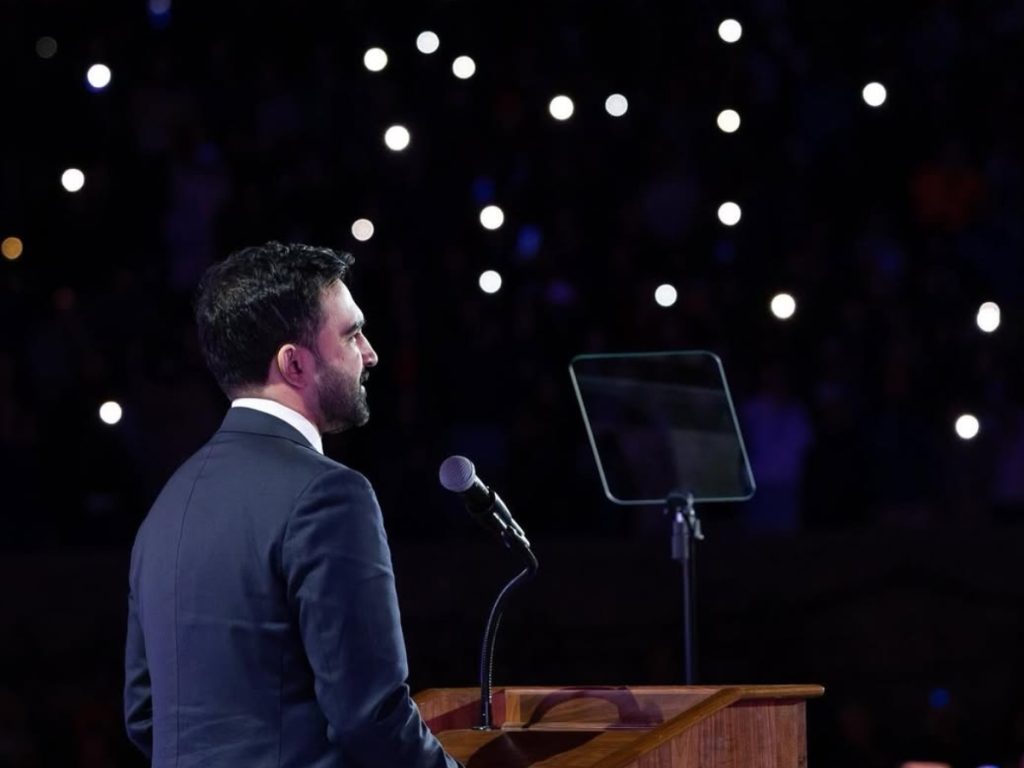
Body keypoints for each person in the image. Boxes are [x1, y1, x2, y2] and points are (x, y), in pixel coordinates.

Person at [123, 242, 461, 767]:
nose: (369, 353)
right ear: (294, 362)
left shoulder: (166, 506)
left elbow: (145, 717)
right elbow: (370, 717)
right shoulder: (330, 496)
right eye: (351, 334)